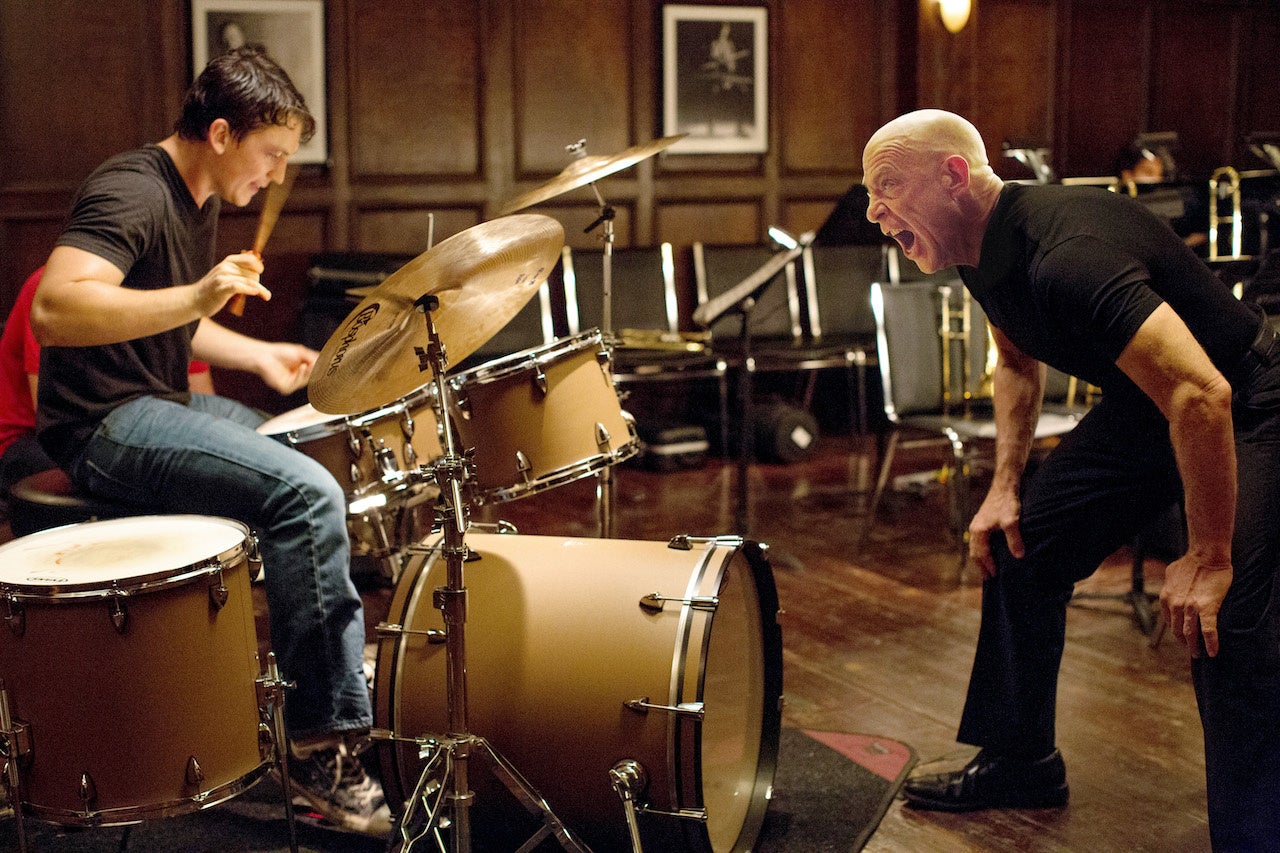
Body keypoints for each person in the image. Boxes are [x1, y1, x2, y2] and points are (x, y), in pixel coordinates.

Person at [861, 109, 1279, 850]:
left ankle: (1254, 835)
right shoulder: (980, 249)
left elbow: (1204, 393)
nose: (872, 210)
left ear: (953, 176)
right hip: (1156, 406)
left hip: (1251, 401)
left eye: (887, 187)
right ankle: (1021, 762)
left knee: (1224, 618)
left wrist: (1209, 556)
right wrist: (1005, 485)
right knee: (1020, 547)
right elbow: (1016, 360)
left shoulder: (1068, 254)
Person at [29, 47, 391, 837]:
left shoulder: (198, 196)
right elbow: (55, 309)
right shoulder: (131, 187)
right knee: (307, 494)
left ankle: (307, 681)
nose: (278, 174)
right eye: (273, 154)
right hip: (98, 423)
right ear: (222, 134)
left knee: (310, 452)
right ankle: (320, 743)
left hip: (151, 400)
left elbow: (165, 317)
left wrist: (256, 354)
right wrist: (200, 293)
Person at [0, 268, 215, 498]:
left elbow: (202, 402)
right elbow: (51, 417)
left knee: (208, 468)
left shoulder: (170, 298)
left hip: (126, 425)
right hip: (36, 439)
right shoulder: (58, 292)